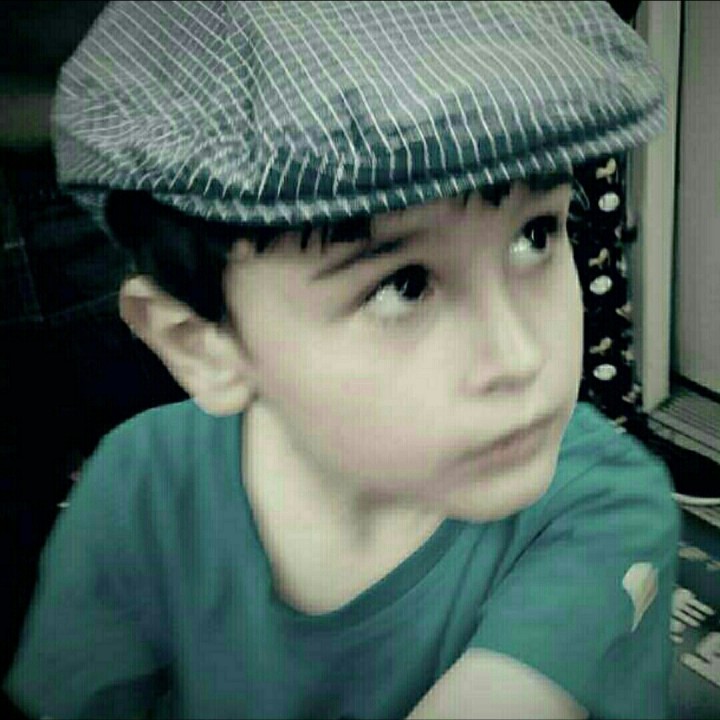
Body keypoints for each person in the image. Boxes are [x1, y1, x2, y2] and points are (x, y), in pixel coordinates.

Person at [3, 2, 681, 718]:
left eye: (535, 235)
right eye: (403, 285)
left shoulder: (604, 504)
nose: (520, 355)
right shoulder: (140, 486)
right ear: (202, 346)